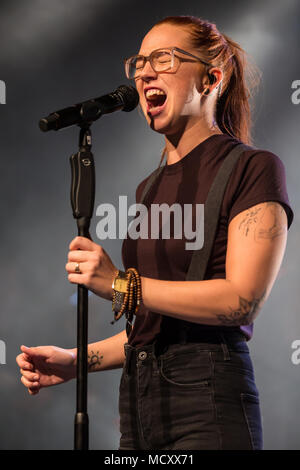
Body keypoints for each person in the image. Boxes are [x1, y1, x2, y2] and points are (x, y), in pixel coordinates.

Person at [16, 15, 294, 450]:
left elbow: (242, 300)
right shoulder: (149, 188)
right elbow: (150, 325)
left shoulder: (252, 168)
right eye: (140, 61)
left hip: (207, 400)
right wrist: (76, 362)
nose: (145, 72)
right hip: (140, 404)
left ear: (211, 78)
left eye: (163, 59)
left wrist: (121, 284)